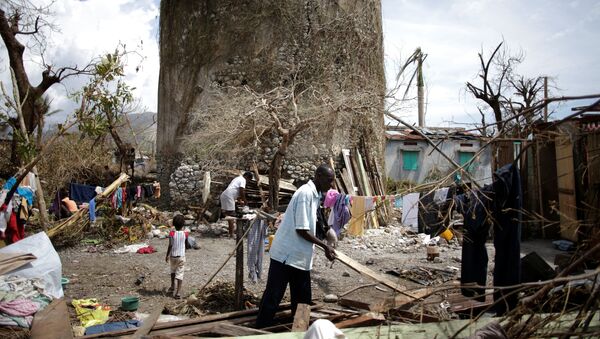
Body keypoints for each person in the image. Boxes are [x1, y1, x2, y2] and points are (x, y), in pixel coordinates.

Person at [255, 165, 336, 328]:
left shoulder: (316, 194)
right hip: (286, 254)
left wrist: (327, 232)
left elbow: (317, 219)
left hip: (299, 256)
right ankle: (261, 329)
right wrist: (325, 247)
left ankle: (300, 329)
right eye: (329, 180)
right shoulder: (305, 194)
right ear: (318, 176)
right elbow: (302, 230)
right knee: (274, 295)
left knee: (302, 298)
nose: (331, 184)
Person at [220, 171, 253, 237]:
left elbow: (234, 190)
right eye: (249, 180)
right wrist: (245, 201)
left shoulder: (238, 178)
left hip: (225, 195)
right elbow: (241, 191)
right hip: (229, 196)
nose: (248, 182)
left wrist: (239, 200)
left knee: (229, 215)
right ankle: (232, 234)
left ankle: (231, 232)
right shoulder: (243, 180)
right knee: (232, 215)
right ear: (247, 177)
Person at [165, 214, 188, 299]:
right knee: (180, 273)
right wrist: (186, 249)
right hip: (181, 256)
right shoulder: (185, 233)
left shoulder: (171, 233)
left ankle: (172, 286)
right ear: (183, 224)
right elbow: (186, 244)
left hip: (173, 256)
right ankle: (178, 292)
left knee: (173, 271)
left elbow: (170, 245)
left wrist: (167, 255)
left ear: (173, 224)